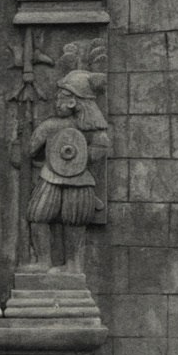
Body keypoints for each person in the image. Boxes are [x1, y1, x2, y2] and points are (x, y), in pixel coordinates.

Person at [24, 68, 111, 272]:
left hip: (79, 179)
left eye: (60, 97)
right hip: (51, 177)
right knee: (38, 215)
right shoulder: (50, 126)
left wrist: (79, 157)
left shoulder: (94, 131)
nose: (56, 102)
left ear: (73, 101)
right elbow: (30, 150)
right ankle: (43, 261)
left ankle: (73, 265)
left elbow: (100, 151)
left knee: (74, 219)